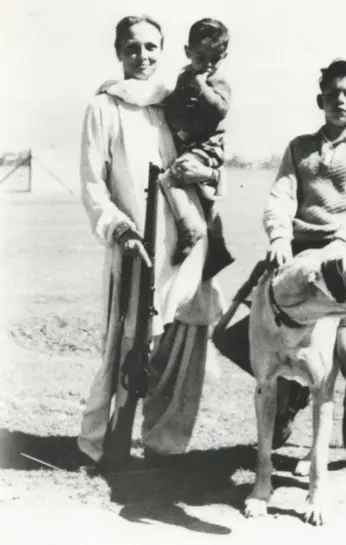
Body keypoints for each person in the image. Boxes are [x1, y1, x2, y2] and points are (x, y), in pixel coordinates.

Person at [78, 14, 225, 468]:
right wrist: (119, 229)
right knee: (126, 344)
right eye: (133, 47)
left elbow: (212, 152)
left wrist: (210, 172)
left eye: (151, 48)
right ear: (119, 52)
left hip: (184, 241)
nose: (142, 56)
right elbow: (92, 184)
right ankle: (103, 442)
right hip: (135, 245)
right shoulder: (104, 107)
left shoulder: (176, 101)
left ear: (164, 52)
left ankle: (164, 446)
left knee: (181, 344)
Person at [263, 59, 346, 452]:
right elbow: (281, 196)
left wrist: (340, 247)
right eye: (332, 93)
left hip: (345, 262)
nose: (340, 100)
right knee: (267, 342)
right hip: (299, 260)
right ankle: (289, 403)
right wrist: (280, 237)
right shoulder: (299, 147)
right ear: (320, 99)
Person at [162, 17, 234, 279]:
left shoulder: (218, 82)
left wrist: (201, 86)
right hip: (188, 143)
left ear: (224, 55)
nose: (208, 64)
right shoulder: (184, 77)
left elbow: (219, 110)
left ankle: (190, 227)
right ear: (187, 52)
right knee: (203, 200)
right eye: (201, 57)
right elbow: (174, 108)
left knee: (173, 175)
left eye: (216, 57)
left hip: (207, 147)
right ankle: (217, 249)